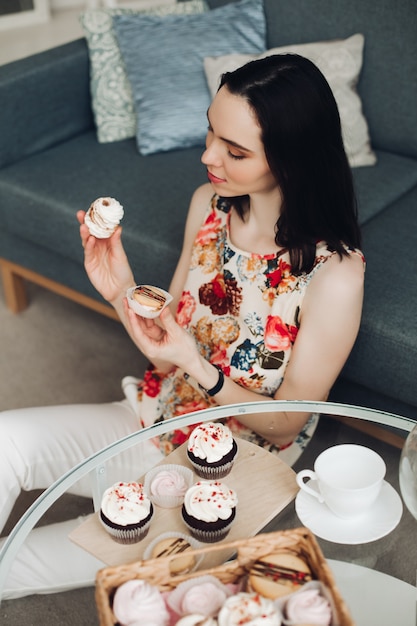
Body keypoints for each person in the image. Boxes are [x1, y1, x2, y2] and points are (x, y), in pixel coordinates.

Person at [0, 54, 364, 598]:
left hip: (229, 478)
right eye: (211, 133)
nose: (207, 156)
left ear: (291, 160)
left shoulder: (334, 274)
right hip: (154, 416)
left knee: (17, 564)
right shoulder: (210, 206)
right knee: (6, 439)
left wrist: (199, 364)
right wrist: (120, 289)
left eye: (234, 150)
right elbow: (161, 356)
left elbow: (286, 425)